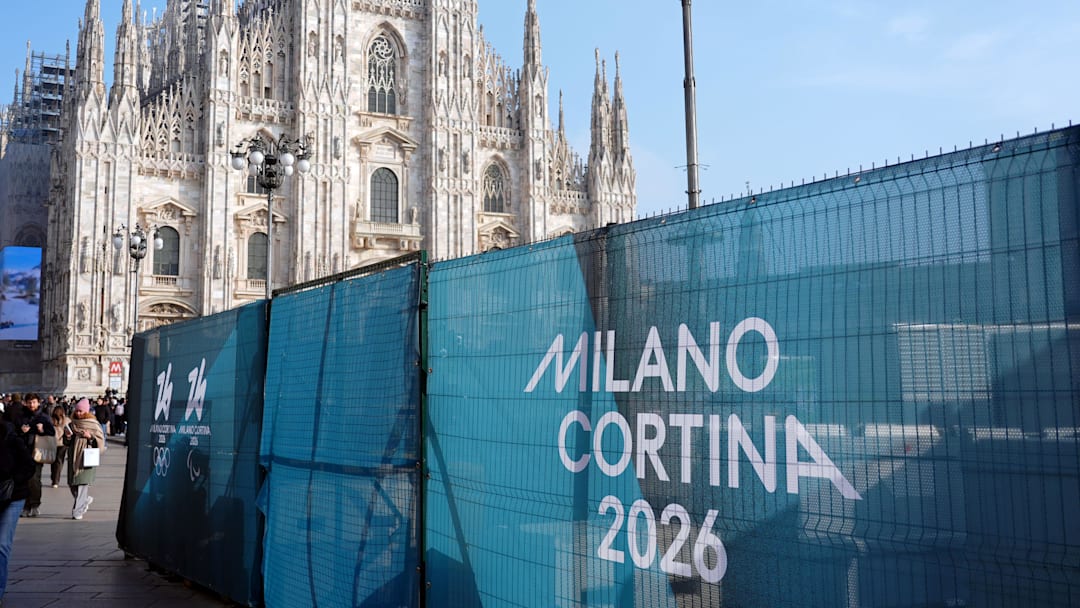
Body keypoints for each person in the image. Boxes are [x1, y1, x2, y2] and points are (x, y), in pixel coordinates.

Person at [0, 408, 35, 601]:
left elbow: (28, 465)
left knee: (2, 544)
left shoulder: (10, 438)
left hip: (12, 496)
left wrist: (14, 482)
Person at [64, 399, 105, 520]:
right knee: (72, 484)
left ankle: (77, 511)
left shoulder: (93, 424)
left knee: (82, 484)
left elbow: (100, 441)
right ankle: (85, 500)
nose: (78, 413)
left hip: (86, 457)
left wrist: (90, 437)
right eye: (76, 411)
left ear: (86, 411)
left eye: (81, 411)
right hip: (73, 458)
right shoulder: (72, 424)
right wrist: (67, 436)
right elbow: (67, 443)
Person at [15, 393, 54, 518]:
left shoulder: (44, 417)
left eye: (34, 402)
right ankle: (25, 506)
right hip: (22, 453)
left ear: (38, 402)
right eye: (29, 402)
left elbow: (51, 433)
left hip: (37, 452)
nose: (32, 405)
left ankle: (35, 505)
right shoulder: (20, 417)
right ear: (25, 403)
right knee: (23, 480)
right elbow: (13, 432)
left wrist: (42, 430)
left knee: (34, 480)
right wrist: (21, 431)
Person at [49, 406, 70, 488]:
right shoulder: (66, 420)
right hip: (62, 443)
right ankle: (56, 480)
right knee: (59, 462)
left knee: (53, 461)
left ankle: (53, 478)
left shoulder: (51, 420)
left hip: (53, 442)